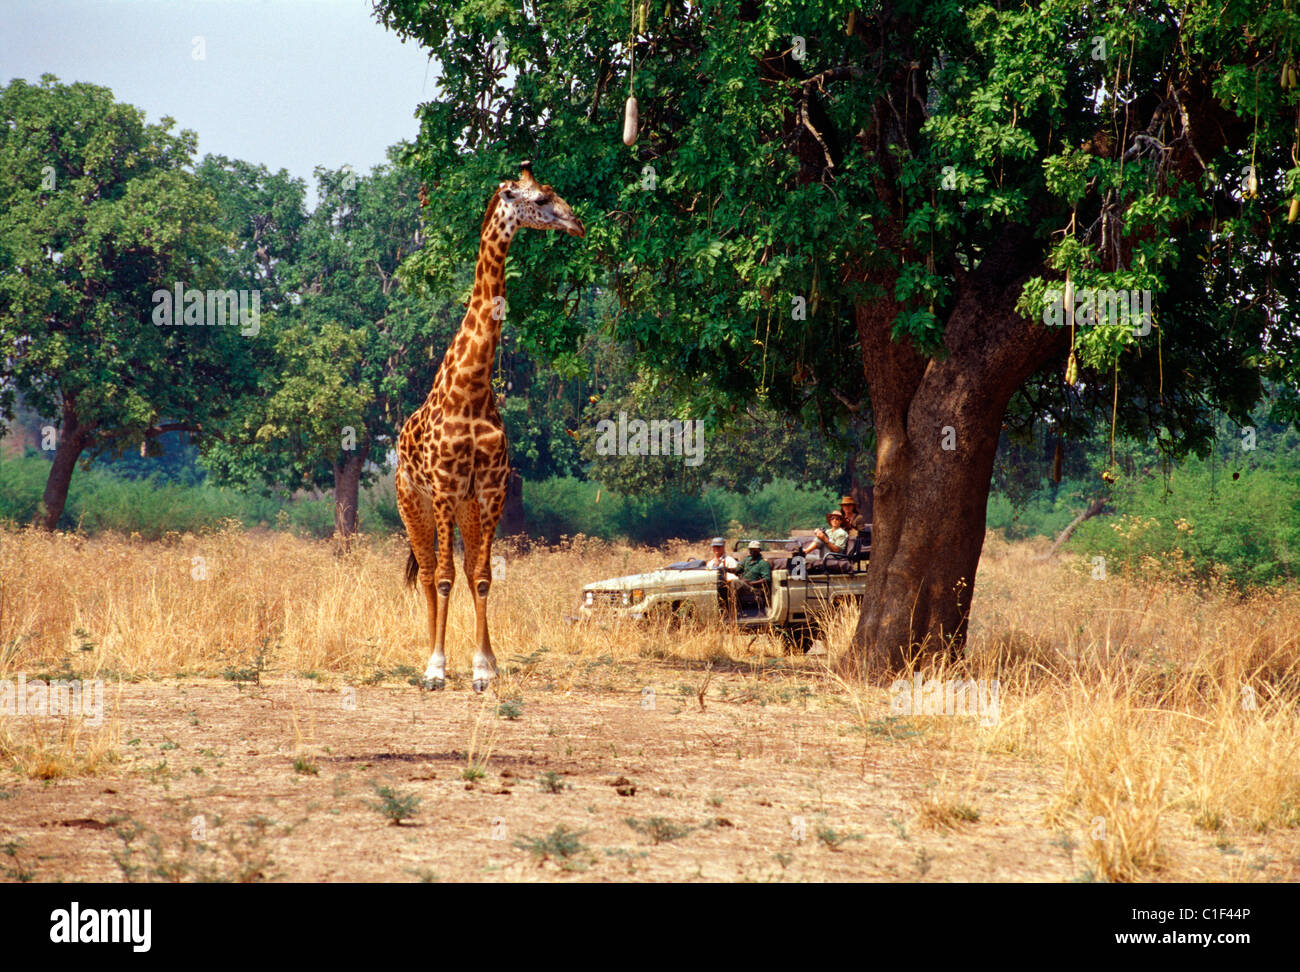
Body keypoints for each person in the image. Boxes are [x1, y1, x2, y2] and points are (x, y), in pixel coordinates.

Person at [730, 540, 772, 609]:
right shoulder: (747, 560)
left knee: (735, 582)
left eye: (755, 550)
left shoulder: (763, 563)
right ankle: (732, 607)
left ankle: (734, 607)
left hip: (754, 589)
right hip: (743, 585)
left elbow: (766, 579)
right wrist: (726, 569)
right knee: (728, 584)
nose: (752, 552)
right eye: (751, 550)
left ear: (759, 550)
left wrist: (751, 583)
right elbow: (737, 570)